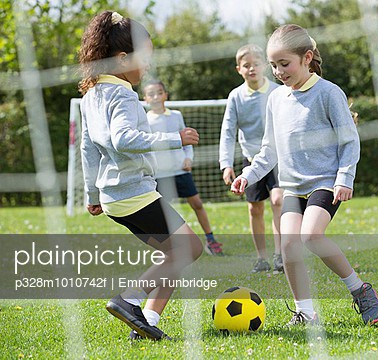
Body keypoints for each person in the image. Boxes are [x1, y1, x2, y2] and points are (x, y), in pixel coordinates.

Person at [231, 24, 378, 325]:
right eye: (274, 65)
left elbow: (349, 140)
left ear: (307, 57)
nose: (278, 71)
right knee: (288, 244)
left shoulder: (328, 93)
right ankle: (305, 312)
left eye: (284, 64)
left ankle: (360, 290)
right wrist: (249, 174)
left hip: (325, 182)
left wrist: (344, 178)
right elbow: (269, 150)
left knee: (311, 235)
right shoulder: (275, 99)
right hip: (292, 187)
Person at [78, 10, 203, 340]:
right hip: (134, 192)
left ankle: (145, 322)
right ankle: (129, 299)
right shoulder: (121, 93)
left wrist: (92, 196)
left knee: (173, 256)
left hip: (114, 196)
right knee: (190, 249)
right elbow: (123, 139)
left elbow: (87, 150)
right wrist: (173, 139)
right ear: (121, 59)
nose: (147, 66)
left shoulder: (91, 95)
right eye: (144, 58)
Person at [219, 44, 284, 274]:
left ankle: (280, 256)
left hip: (277, 159)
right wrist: (226, 164)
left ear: (265, 65)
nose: (252, 68)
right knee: (255, 208)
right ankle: (261, 258)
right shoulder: (236, 97)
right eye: (247, 65)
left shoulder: (278, 91)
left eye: (256, 63)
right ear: (239, 69)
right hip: (250, 161)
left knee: (278, 200)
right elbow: (228, 131)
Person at [143, 79, 223, 256]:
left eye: (159, 92)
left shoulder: (176, 116)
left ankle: (211, 240)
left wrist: (188, 158)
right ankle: (168, 248)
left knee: (197, 204)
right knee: (162, 213)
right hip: (160, 175)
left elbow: (187, 141)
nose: (156, 97)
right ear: (145, 99)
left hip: (180, 171)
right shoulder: (145, 121)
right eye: (151, 94)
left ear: (165, 95)